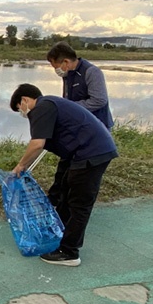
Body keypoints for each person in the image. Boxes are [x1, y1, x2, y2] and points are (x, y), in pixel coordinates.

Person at [10, 83, 118, 266]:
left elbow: (37, 143)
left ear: (25, 100)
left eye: (19, 108)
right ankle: (59, 236)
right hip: (83, 152)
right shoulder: (51, 104)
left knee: (79, 203)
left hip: (91, 153)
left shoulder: (42, 107)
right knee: (64, 194)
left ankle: (69, 252)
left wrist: (20, 166)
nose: (23, 113)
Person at [46, 41, 115, 209]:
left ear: (66, 62)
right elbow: (67, 100)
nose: (56, 70)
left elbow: (99, 100)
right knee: (65, 164)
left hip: (96, 130)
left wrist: (71, 109)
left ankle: (76, 204)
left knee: (84, 171)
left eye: (55, 66)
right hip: (78, 129)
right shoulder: (67, 75)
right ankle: (56, 201)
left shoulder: (91, 72)